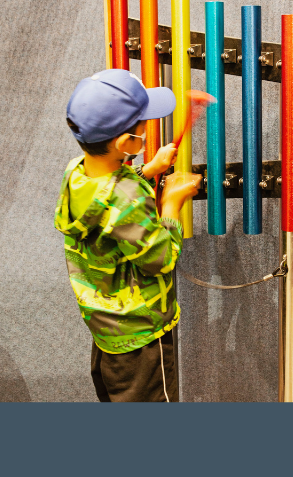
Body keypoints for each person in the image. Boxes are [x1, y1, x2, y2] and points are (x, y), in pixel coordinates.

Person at [54, 68, 201, 402]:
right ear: (126, 143)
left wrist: (146, 172)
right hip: (141, 338)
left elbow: (108, 204)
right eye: (142, 127)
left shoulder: (76, 172)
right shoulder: (128, 196)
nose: (146, 131)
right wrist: (171, 204)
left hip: (108, 332)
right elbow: (160, 260)